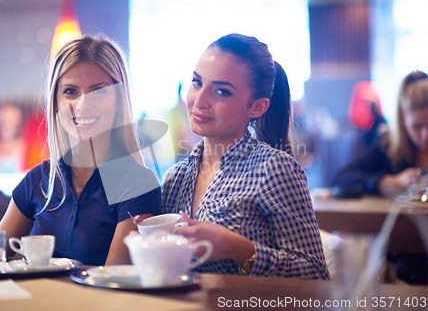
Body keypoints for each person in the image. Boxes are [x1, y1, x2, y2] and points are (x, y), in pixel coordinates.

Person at [0, 34, 162, 266]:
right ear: (56, 102)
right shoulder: (38, 180)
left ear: (119, 102)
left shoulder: (138, 185)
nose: (82, 104)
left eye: (99, 91)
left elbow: (112, 283)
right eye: (70, 91)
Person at [138, 34, 329, 279]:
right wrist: (148, 245)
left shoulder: (274, 168)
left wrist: (240, 250)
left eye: (221, 91)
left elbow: (316, 275)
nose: (200, 100)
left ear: (256, 107)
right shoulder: (176, 177)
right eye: (197, 83)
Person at [333, 70, 428, 198]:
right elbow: (341, 178)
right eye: (417, 127)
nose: (425, 135)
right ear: (402, 120)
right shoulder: (388, 147)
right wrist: (384, 182)